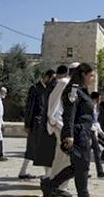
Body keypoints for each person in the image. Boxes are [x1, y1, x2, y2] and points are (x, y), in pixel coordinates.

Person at [41, 63, 96, 197]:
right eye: (91, 75)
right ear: (83, 74)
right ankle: (83, 194)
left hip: (84, 132)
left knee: (78, 166)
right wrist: (68, 135)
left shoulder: (82, 90)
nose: (93, 78)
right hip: (77, 133)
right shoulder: (73, 90)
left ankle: (50, 185)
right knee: (82, 166)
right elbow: (69, 114)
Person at [19, 69, 56, 179]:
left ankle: (23, 171)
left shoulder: (48, 90)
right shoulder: (35, 89)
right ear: (46, 77)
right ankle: (48, 174)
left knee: (33, 148)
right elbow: (30, 108)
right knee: (39, 148)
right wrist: (27, 124)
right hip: (36, 123)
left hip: (43, 123)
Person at [46, 64, 73, 196]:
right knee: (64, 156)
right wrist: (53, 120)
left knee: (62, 156)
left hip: (68, 125)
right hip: (61, 124)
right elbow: (54, 100)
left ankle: (54, 183)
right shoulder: (63, 82)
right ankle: (58, 185)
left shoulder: (75, 86)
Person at [90, 91, 104, 178]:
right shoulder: (90, 106)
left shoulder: (93, 106)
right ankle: (99, 171)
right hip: (91, 131)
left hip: (93, 131)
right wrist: (101, 131)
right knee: (96, 151)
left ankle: (99, 171)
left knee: (94, 152)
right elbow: (93, 121)